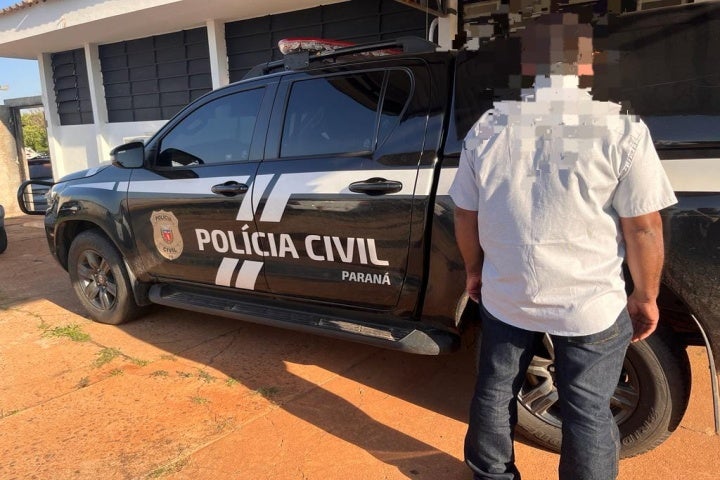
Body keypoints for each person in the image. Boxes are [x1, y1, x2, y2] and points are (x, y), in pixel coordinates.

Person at [449, 13, 678, 480]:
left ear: (529, 62)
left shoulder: (487, 129)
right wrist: (646, 295)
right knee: (588, 409)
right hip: (590, 304)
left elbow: (465, 214)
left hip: (507, 296)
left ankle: (491, 475)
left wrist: (474, 271)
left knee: (494, 391)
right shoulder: (621, 130)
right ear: (587, 63)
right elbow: (644, 228)